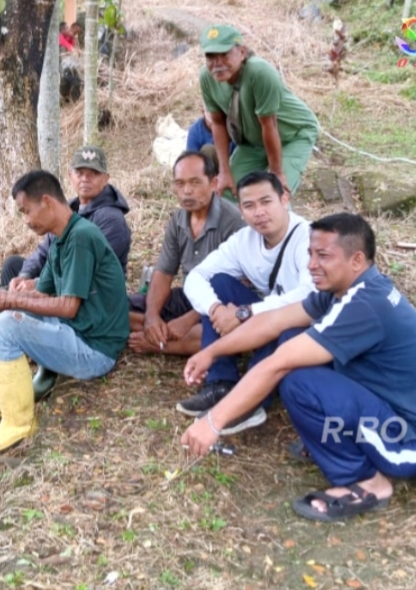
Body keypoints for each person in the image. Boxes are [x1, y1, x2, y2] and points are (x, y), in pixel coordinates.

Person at [181, 213, 416, 522]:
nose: (311, 265)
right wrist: (212, 350)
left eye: (323, 256)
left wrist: (213, 422)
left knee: (298, 380)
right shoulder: (345, 292)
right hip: (396, 415)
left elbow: (277, 365)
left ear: (357, 260)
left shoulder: (363, 305)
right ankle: (342, 441)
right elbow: (273, 321)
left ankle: (365, 480)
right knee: (292, 337)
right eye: (310, 254)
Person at [0, 170, 131, 455]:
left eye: (26, 211)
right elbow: (40, 293)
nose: (26, 220)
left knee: (8, 325)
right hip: (74, 329)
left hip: (95, 349)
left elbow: (68, 306)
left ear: (47, 202)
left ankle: (18, 423)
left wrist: (8, 301)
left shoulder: (81, 237)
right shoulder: (60, 238)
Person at [175, 170, 316, 433]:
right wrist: (216, 309)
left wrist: (244, 312)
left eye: (266, 202)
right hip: (267, 314)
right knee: (219, 283)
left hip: (305, 324)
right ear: (240, 211)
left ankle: (250, 400)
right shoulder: (244, 241)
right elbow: (196, 277)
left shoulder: (307, 238)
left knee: (289, 327)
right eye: (249, 206)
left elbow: (310, 298)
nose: (259, 212)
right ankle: (220, 383)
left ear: (284, 199)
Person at [0, 146, 130, 397]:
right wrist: (24, 282)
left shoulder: (103, 223)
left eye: (93, 173)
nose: (85, 178)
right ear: (70, 176)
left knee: (8, 319)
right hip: (71, 305)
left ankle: (19, 403)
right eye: (80, 172)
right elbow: (43, 258)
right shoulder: (65, 220)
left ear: (106, 179)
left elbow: (77, 291)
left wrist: (14, 298)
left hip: (90, 325)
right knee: (0, 292)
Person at [128, 149, 245, 356]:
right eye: (180, 184)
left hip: (221, 300)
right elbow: (164, 273)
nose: (187, 191)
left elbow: (241, 284)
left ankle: (161, 344)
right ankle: (161, 330)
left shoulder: (232, 221)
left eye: (195, 182)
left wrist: (189, 319)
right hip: (188, 296)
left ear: (214, 184)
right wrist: (152, 317)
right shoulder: (178, 220)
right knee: (122, 309)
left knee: (216, 330)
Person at [199, 24, 319, 202]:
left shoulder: (260, 73)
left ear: (241, 52)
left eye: (224, 54)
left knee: (274, 195)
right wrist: (224, 171)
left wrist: (277, 172)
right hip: (254, 143)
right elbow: (217, 123)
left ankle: (286, 227)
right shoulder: (207, 78)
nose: (217, 63)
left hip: (292, 135)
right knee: (226, 192)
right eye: (211, 56)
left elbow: (269, 125)